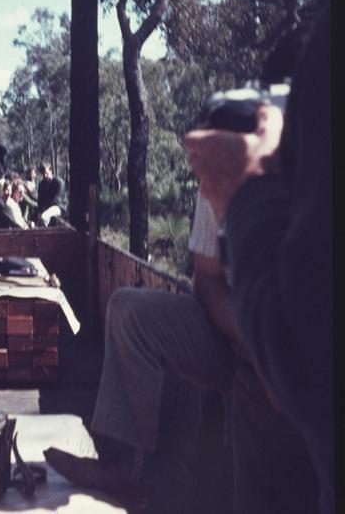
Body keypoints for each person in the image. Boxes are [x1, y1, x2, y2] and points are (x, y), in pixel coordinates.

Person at [45, 191, 318, 513]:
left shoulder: (304, 166)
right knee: (129, 312)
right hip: (234, 327)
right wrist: (249, 334)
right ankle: (127, 469)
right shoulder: (217, 166)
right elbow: (207, 281)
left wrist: (271, 347)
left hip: (298, 342)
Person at [185, 10, 331, 514]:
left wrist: (251, 194)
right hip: (243, 333)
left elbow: (297, 356)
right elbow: (207, 285)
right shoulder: (242, 167)